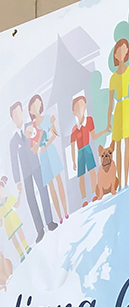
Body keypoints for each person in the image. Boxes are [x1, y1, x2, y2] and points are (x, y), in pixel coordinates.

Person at [8, 101, 56, 243]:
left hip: (36, 165)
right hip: (25, 172)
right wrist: (17, 180)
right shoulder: (13, 141)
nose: (19, 115)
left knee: (43, 191)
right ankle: (39, 229)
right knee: (31, 199)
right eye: (15, 114)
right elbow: (13, 161)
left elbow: (39, 138)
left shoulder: (30, 127)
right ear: (12, 119)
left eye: (20, 112)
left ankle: (49, 221)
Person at [28, 95, 69, 223]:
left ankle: (66, 211)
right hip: (43, 156)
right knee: (51, 186)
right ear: (30, 110)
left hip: (50, 152)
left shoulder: (47, 118)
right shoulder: (31, 128)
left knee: (59, 181)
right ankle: (59, 216)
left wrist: (46, 145)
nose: (37, 106)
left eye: (38, 103)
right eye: (34, 104)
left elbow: (55, 134)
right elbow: (34, 149)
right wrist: (40, 143)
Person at [106, 38, 129, 189]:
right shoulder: (113, 78)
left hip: (126, 106)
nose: (122, 52)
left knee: (127, 143)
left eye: (124, 49)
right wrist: (108, 122)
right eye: (119, 50)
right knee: (118, 145)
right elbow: (109, 103)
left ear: (127, 52)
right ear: (115, 54)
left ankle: (126, 180)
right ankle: (120, 179)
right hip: (118, 107)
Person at [70, 95, 108, 206]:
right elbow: (72, 146)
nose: (80, 109)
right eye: (77, 107)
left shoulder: (89, 120)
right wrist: (73, 161)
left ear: (85, 106)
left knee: (92, 171)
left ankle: (93, 193)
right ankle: (83, 199)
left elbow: (94, 136)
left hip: (87, 149)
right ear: (73, 112)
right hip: (80, 152)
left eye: (81, 105)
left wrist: (104, 130)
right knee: (81, 176)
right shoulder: (73, 129)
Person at [0, 175, 30, 261]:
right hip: (7, 223)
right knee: (13, 237)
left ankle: (26, 247)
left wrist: (19, 194)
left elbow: (16, 205)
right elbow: (1, 223)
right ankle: (20, 253)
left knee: (20, 231)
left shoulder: (9, 198)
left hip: (13, 217)